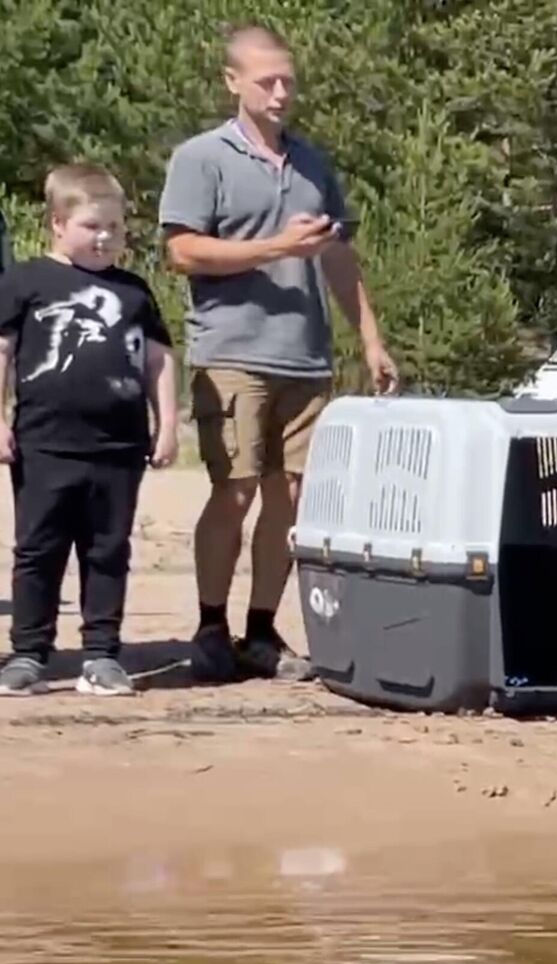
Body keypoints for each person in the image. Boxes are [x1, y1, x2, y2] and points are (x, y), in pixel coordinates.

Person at [159, 23, 400, 685]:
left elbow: (340, 257)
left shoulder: (314, 163)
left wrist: (370, 338)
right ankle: (211, 626)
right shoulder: (201, 158)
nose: (281, 91)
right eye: (267, 80)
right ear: (232, 80)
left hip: (306, 358)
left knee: (288, 501)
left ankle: (261, 628)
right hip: (232, 352)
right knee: (232, 491)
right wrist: (273, 249)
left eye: (289, 80)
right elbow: (180, 251)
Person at [0, 163, 181, 697]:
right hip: (44, 443)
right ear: (57, 224)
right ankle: (29, 653)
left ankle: (102, 655)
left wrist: (167, 422)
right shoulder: (26, 280)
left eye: (115, 229)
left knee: (107, 550)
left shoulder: (133, 292)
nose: (104, 238)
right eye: (91, 227)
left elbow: (158, 360)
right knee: (38, 549)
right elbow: (3, 351)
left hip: (118, 447)